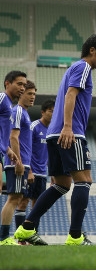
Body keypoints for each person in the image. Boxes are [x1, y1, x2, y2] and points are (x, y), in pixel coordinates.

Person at [14, 33, 96, 246]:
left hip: (54, 134)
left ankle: (27, 227)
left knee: (61, 184)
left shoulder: (75, 68)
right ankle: (75, 236)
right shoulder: (83, 67)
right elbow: (71, 95)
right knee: (84, 180)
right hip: (70, 133)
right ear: (92, 50)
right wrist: (68, 126)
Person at [0, 80, 35, 245]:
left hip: (22, 161)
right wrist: (19, 162)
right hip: (17, 162)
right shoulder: (18, 111)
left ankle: (6, 237)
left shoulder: (25, 113)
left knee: (18, 197)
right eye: (29, 93)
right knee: (14, 198)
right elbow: (13, 137)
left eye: (34, 94)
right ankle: (3, 237)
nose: (32, 97)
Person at [16, 100, 54, 234]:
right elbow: (25, 149)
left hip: (43, 173)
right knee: (23, 202)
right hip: (31, 172)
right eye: (50, 111)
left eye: (55, 111)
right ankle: (21, 238)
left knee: (38, 205)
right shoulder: (34, 127)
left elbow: (51, 154)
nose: (53, 114)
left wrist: (53, 175)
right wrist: (30, 171)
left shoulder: (52, 130)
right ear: (43, 112)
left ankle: (33, 235)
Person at [0, 70, 27, 223]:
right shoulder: (2, 98)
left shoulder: (9, 106)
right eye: (19, 84)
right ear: (7, 83)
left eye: (24, 85)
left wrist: (8, 150)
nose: (22, 88)